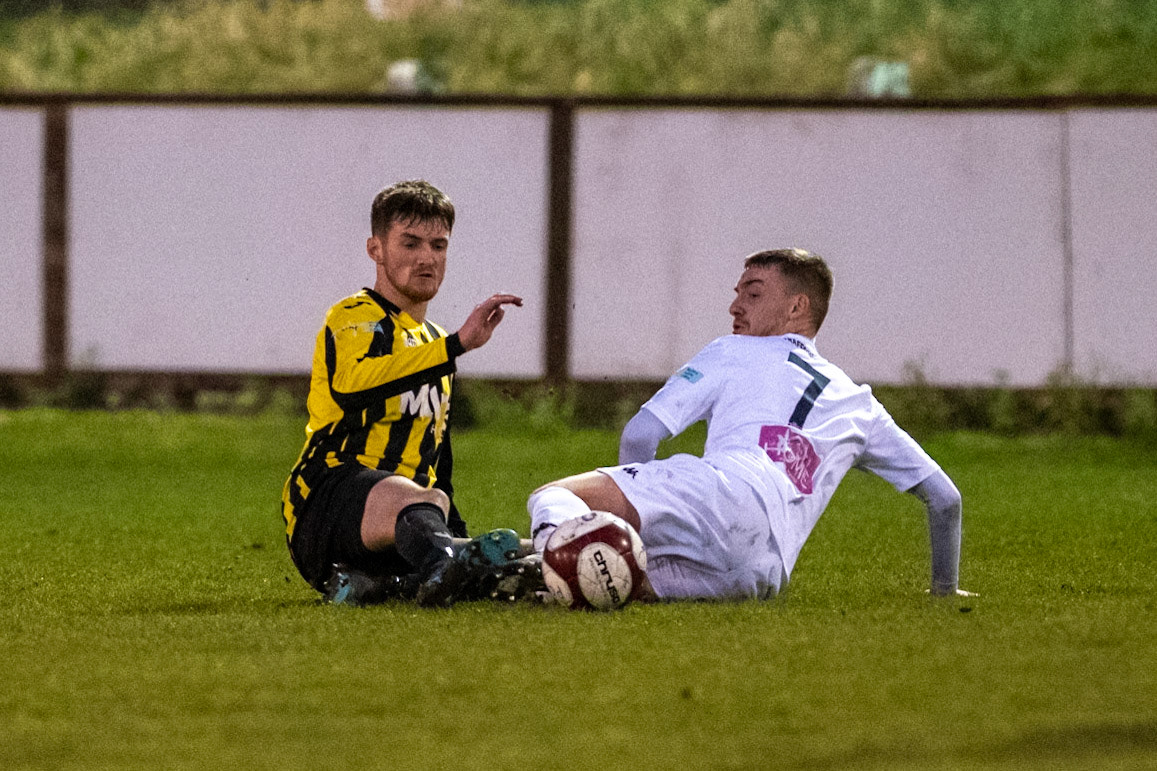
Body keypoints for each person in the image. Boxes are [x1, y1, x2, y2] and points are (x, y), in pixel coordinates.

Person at [528, 248, 970, 601]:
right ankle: (554, 568)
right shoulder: (861, 404)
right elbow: (945, 499)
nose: (734, 306)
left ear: (797, 306)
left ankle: (545, 554)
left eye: (753, 294)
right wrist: (944, 591)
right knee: (616, 578)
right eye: (737, 293)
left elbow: (640, 434)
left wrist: (629, 517)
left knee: (555, 497)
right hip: (761, 573)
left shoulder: (735, 349)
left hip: (721, 493)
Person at [281, 180, 523, 608]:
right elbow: (352, 386)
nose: (427, 258)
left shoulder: (433, 344)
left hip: (410, 519)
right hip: (327, 503)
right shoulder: (355, 317)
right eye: (410, 243)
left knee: (507, 552)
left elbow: (436, 464)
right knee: (426, 504)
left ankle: (382, 585)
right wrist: (454, 346)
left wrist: (455, 531)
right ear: (375, 249)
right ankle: (449, 566)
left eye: (438, 245)